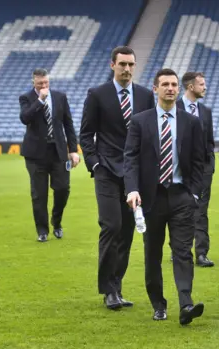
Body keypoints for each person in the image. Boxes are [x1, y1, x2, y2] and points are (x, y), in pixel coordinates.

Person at [124, 68, 206, 324]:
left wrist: (194, 192)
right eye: (165, 84)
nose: (170, 88)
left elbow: (200, 161)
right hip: (152, 197)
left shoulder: (191, 122)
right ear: (155, 89)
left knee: (183, 251)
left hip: (182, 196)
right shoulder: (140, 121)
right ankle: (158, 304)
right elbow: (130, 159)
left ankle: (186, 304)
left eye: (174, 84)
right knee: (153, 254)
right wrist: (132, 188)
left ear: (178, 90)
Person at [79, 46, 156, 310]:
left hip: (134, 175)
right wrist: (95, 164)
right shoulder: (97, 95)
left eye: (131, 65)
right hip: (107, 171)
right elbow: (86, 135)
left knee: (126, 231)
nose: (126, 69)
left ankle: (117, 287)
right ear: (112, 65)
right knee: (110, 226)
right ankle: (108, 289)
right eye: (122, 64)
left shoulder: (146, 96)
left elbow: (149, 135)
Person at [19, 68, 80, 242]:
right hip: (35, 155)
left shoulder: (60, 97)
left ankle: (57, 221)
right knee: (39, 194)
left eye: (46, 82)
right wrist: (39, 100)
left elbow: (68, 124)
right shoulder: (26, 98)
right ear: (34, 83)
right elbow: (25, 118)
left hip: (58, 152)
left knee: (62, 189)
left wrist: (73, 150)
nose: (44, 86)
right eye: (40, 83)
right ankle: (42, 230)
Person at [176, 72, 215, 267]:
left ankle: (201, 253)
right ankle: (180, 251)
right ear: (190, 87)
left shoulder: (206, 111)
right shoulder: (173, 107)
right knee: (178, 211)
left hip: (203, 170)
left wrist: (210, 166)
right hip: (177, 169)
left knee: (201, 210)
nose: (205, 87)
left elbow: (209, 141)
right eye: (201, 84)